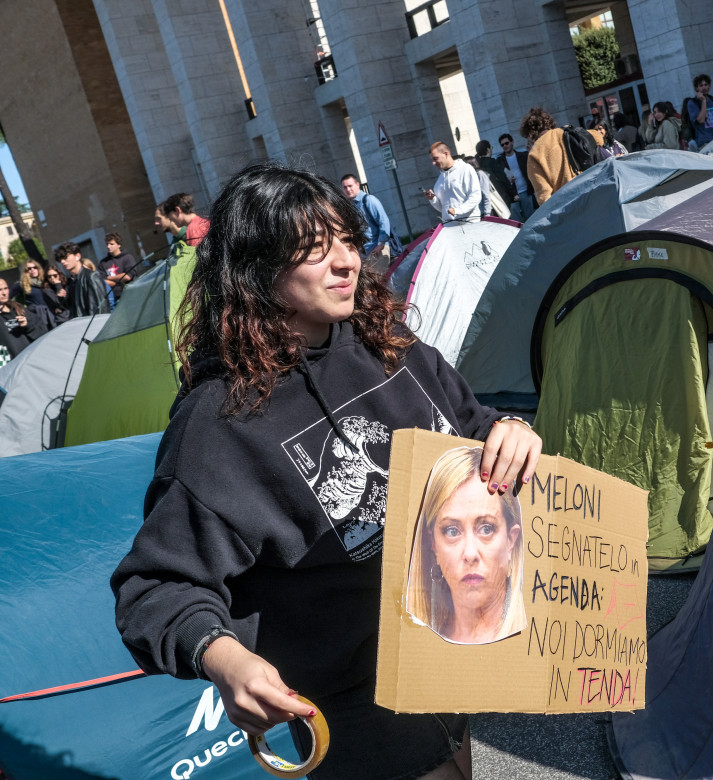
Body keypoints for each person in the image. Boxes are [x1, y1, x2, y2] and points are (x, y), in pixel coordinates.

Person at [111, 161, 541, 780]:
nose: (344, 262)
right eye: (314, 251)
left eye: (345, 240)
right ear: (257, 269)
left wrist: (512, 432)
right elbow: (154, 589)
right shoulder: (218, 423)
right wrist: (222, 656)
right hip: (348, 690)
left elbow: (472, 427)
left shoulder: (389, 342)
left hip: (442, 643)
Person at [406, 446, 525, 645]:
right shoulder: (417, 643)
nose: (470, 553)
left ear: (511, 541)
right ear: (434, 544)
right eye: (452, 531)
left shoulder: (527, 642)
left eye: (486, 529)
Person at [519, 107, 604, 205]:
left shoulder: (534, 154)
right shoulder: (567, 130)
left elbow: (544, 196)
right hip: (594, 189)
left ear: (530, 134)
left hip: (570, 204)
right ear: (548, 123)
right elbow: (598, 137)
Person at [340, 174, 404, 264]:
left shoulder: (369, 200)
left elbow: (384, 222)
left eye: (350, 186)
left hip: (377, 250)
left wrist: (380, 245)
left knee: (383, 277)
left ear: (357, 185)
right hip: (364, 253)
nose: (348, 190)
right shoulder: (351, 206)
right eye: (345, 187)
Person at [425, 142, 481, 223]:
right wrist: (433, 199)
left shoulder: (466, 169)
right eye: (432, 160)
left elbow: (475, 196)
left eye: (435, 159)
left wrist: (458, 210)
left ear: (446, 154)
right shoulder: (439, 180)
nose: (433, 163)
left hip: (470, 224)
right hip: (449, 228)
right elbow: (442, 208)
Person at [0, 277, 48, 365]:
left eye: (6, 288)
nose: (4, 293)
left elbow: (42, 331)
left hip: (32, 361)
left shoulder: (18, 308)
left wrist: (27, 326)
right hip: (10, 367)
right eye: (0, 290)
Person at [56, 242, 109, 318]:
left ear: (77, 256)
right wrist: (62, 299)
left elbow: (101, 307)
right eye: (60, 259)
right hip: (81, 325)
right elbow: (74, 309)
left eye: (65, 257)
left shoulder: (91, 276)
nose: (62, 261)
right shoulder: (71, 282)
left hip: (94, 325)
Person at [496, 134, 536, 222]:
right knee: (516, 222)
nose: (505, 146)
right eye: (502, 145)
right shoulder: (499, 161)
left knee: (531, 220)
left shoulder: (523, 155)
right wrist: (506, 180)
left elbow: (533, 166)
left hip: (525, 191)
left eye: (506, 143)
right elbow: (498, 179)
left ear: (512, 142)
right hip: (512, 196)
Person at [99, 232, 141, 308]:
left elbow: (127, 276)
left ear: (119, 245)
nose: (108, 246)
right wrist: (119, 281)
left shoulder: (127, 258)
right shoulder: (103, 263)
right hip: (113, 299)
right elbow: (102, 281)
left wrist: (109, 278)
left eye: (111, 244)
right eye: (107, 244)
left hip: (130, 295)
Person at [684, 74, 713, 149]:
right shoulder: (692, 103)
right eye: (701, 85)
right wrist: (703, 101)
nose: (704, 87)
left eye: (706, 85)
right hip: (705, 142)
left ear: (709, 86)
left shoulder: (712, 100)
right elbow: (701, 120)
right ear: (697, 88)